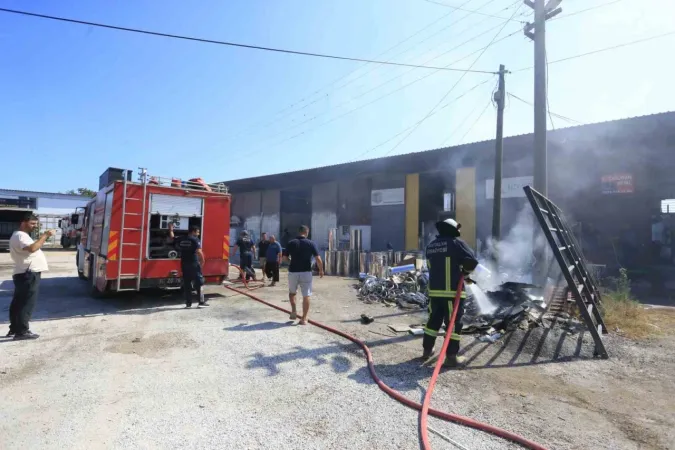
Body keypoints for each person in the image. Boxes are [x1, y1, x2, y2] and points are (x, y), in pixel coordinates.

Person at [422, 218, 478, 368]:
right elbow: (472, 261)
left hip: (434, 292)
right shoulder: (456, 243)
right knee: (453, 324)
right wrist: (465, 273)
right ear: (453, 230)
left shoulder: (431, 246)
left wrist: (460, 272)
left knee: (433, 321)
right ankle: (451, 357)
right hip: (452, 293)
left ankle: (427, 350)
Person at [7, 213, 55, 340]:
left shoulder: (19, 235)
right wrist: (45, 235)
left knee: (18, 302)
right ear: (23, 222)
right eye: (32, 223)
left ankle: (15, 328)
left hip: (23, 273)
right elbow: (33, 248)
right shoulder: (20, 235)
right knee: (26, 303)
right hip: (28, 273)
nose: (34, 226)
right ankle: (22, 331)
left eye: (36, 224)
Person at [283, 225, 323, 325]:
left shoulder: (291, 243)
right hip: (306, 272)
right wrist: (321, 270)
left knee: (292, 293)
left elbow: (284, 258)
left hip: (293, 272)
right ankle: (304, 319)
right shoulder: (311, 243)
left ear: (299, 232)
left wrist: (291, 262)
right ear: (307, 232)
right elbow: (318, 259)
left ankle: (293, 311)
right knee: (306, 295)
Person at [168, 223, 207, 308]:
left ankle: (188, 304)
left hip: (184, 264)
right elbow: (199, 252)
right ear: (193, 232)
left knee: (187, 284)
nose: (198, 234)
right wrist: (202, 261)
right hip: (194, 264)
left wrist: (171, 229)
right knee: (200, 283)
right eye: (197, 232)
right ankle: (201, 302)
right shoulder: (195, 239)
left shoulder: (181, 238)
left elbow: (172, 237)